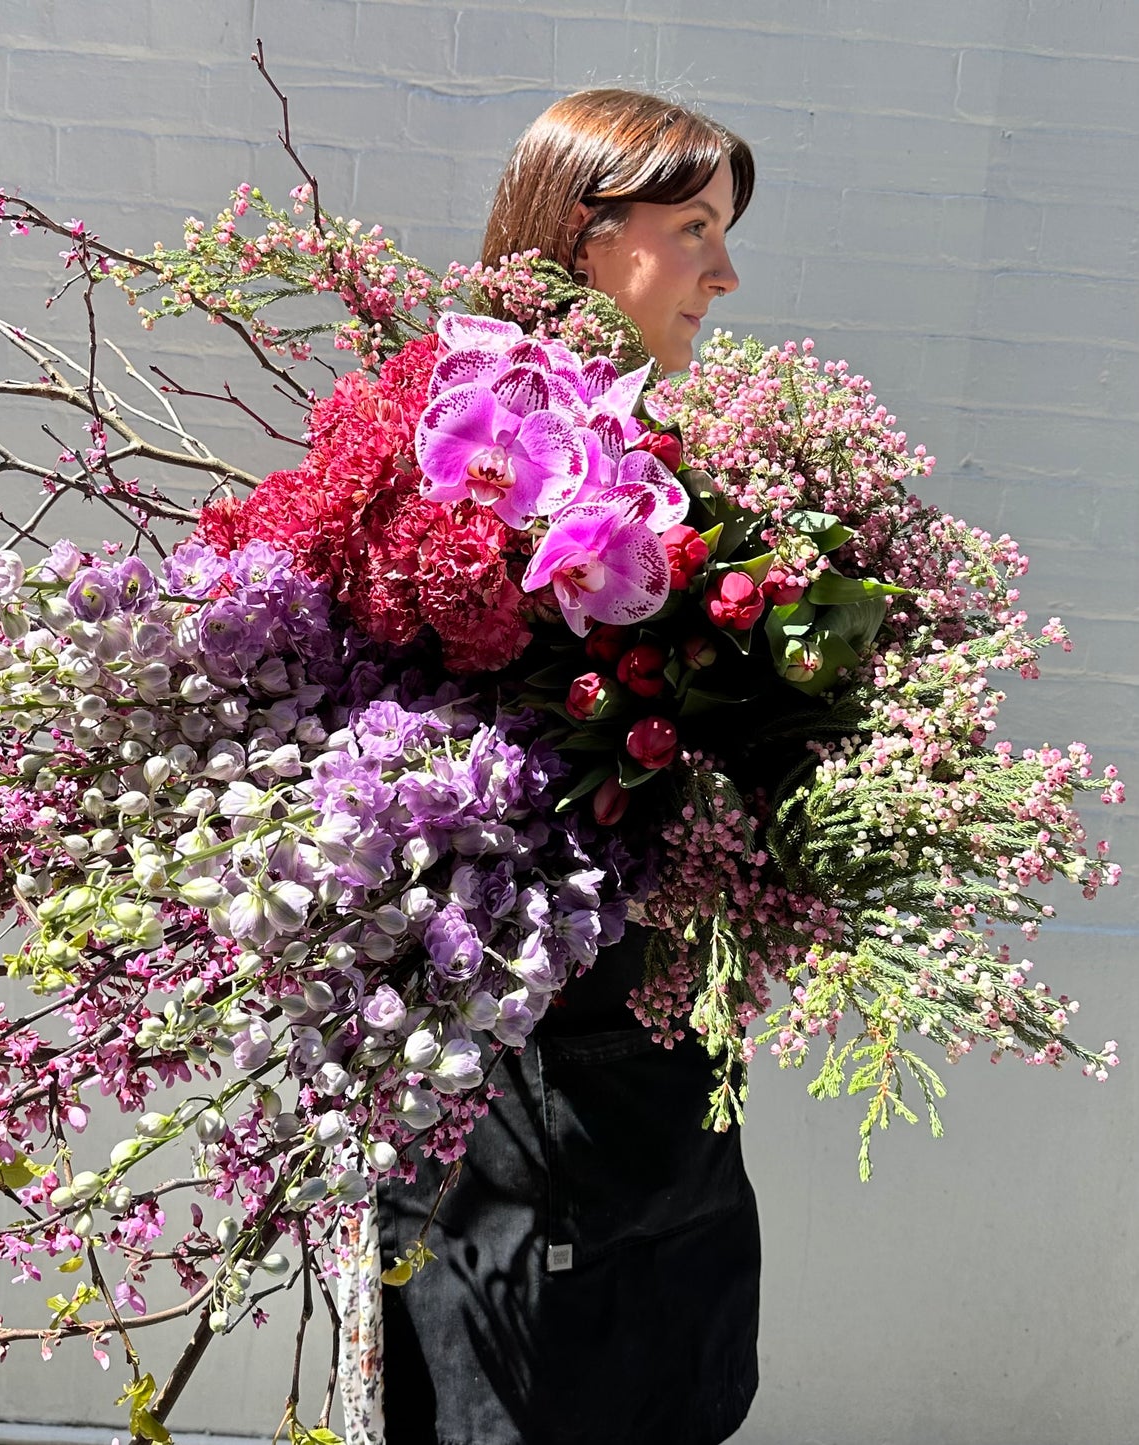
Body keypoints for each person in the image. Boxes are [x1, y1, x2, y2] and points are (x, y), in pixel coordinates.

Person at [372, 91, 761, 1445]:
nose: (723, 272)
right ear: (591, 242)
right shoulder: (471, 457)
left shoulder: (666, 458)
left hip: (637, 1077)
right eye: (694, 228)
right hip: (526, 1103)